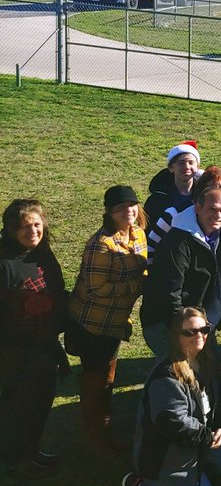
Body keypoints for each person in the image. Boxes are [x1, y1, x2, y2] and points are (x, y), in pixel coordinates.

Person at [123, 307, 221, 486]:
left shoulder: (208, 361)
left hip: (196, 444)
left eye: (204, 329)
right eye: (189, 332)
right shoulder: (167, 375)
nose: (199, 336)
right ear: (175, 336)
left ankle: (195, 476)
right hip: (166, 455)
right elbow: (174, 423)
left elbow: (215, 405)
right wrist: (208, 437)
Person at [66, 186, 147, 451]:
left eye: (131, 205)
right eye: (120, 208)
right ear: (109, 213)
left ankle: (104, 424)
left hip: (115, 323)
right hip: (92, 324)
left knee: (108, 377)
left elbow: (142, 269)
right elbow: (94, 288)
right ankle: (95, 434)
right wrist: (134, 287)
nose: (128, 211)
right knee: (96, 379)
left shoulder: (138, 234)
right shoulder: (101, 244)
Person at [0, 199, 67, 478]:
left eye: (37, 225)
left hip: (44, 344)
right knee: (18, 406)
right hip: (15, 351)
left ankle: (31, 450)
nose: (33, 232)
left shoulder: (43, 255)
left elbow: (58, 292)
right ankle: (15, 460)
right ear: (12, 230)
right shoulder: (4, 263)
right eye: (25, 227)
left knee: (41, 399)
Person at [141, 183, 221, 358]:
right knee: (180, 377)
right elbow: (169, 291)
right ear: (198, 208)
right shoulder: (178, 242)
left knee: (208, 374)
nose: (218, 216)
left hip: (199, 323)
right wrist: (186, 331)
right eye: (212, 209)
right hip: (171, 324)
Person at [149, 165, 221, 285]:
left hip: (216, 294)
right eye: (209, 187)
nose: (216, 191)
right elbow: (151, 247)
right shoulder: (174, 214)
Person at [145, 141, 201, 259]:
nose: (186, 167)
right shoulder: (156, 200)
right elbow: (147, 231)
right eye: (181, 163)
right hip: (164, 255)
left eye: (191, 162)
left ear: (198, 167)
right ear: (171, 167)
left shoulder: (204, 196)